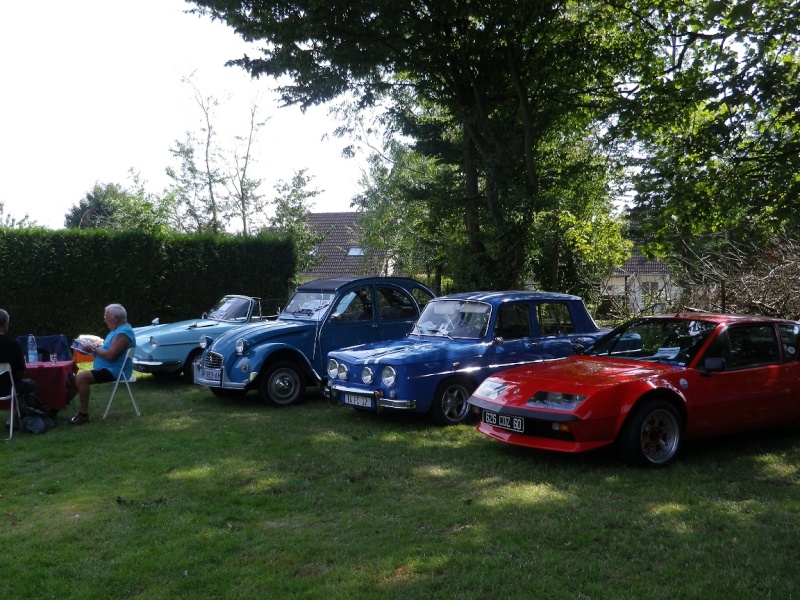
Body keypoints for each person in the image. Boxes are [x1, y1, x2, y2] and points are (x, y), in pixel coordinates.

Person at [67, 303, 136, 425]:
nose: (105, 321)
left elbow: (110, 355)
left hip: (115, 371)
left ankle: (83, 415)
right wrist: (94, 348)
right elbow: (106, 350)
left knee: (82, 377)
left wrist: (93, 349)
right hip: (108, 368)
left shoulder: (124, 333)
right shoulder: (117, 331)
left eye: (106, 318)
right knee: (73, 379)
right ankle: (56, 407)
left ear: (115, 319)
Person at [0, 308, 38, 397]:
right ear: (6, 324)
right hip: (9, 388)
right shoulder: (14, 345)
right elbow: (21, 373)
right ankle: (17, 410)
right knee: (32, 385)